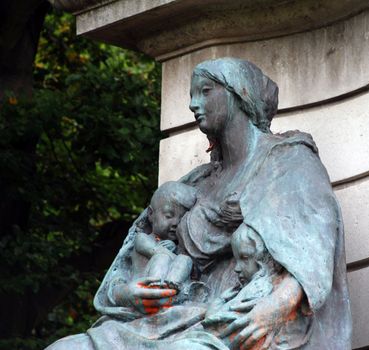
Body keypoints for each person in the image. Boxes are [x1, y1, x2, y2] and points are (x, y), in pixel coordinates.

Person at [46, 57, 352, 350]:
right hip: (172, 317)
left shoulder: (288, 160)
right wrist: (131, 294)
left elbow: (312, 254)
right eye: (193, 94)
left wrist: (274, 308)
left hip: (236, 318)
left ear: (239, 95)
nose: (194, 103)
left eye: (205, 92)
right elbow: (130, 261)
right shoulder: (192, 184)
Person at [203, 225, 313, 349]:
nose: (236, 268)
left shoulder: (259, 287)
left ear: (267, 259)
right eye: (236, 259)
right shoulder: (248, 288)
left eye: (244, 258)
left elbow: (217, 326)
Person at [134, 181, 197, 291]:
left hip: (167, 290)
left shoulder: (177, 246)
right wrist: (178, 260)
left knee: (185, 259)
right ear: (150, 214)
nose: (176, 223)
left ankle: (173, 286)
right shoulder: (142, 238)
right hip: (145, 285)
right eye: (169, 216)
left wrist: (184, 260)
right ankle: (155, 285)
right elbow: (159, 252)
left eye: (182, 218)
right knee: (162, 257)